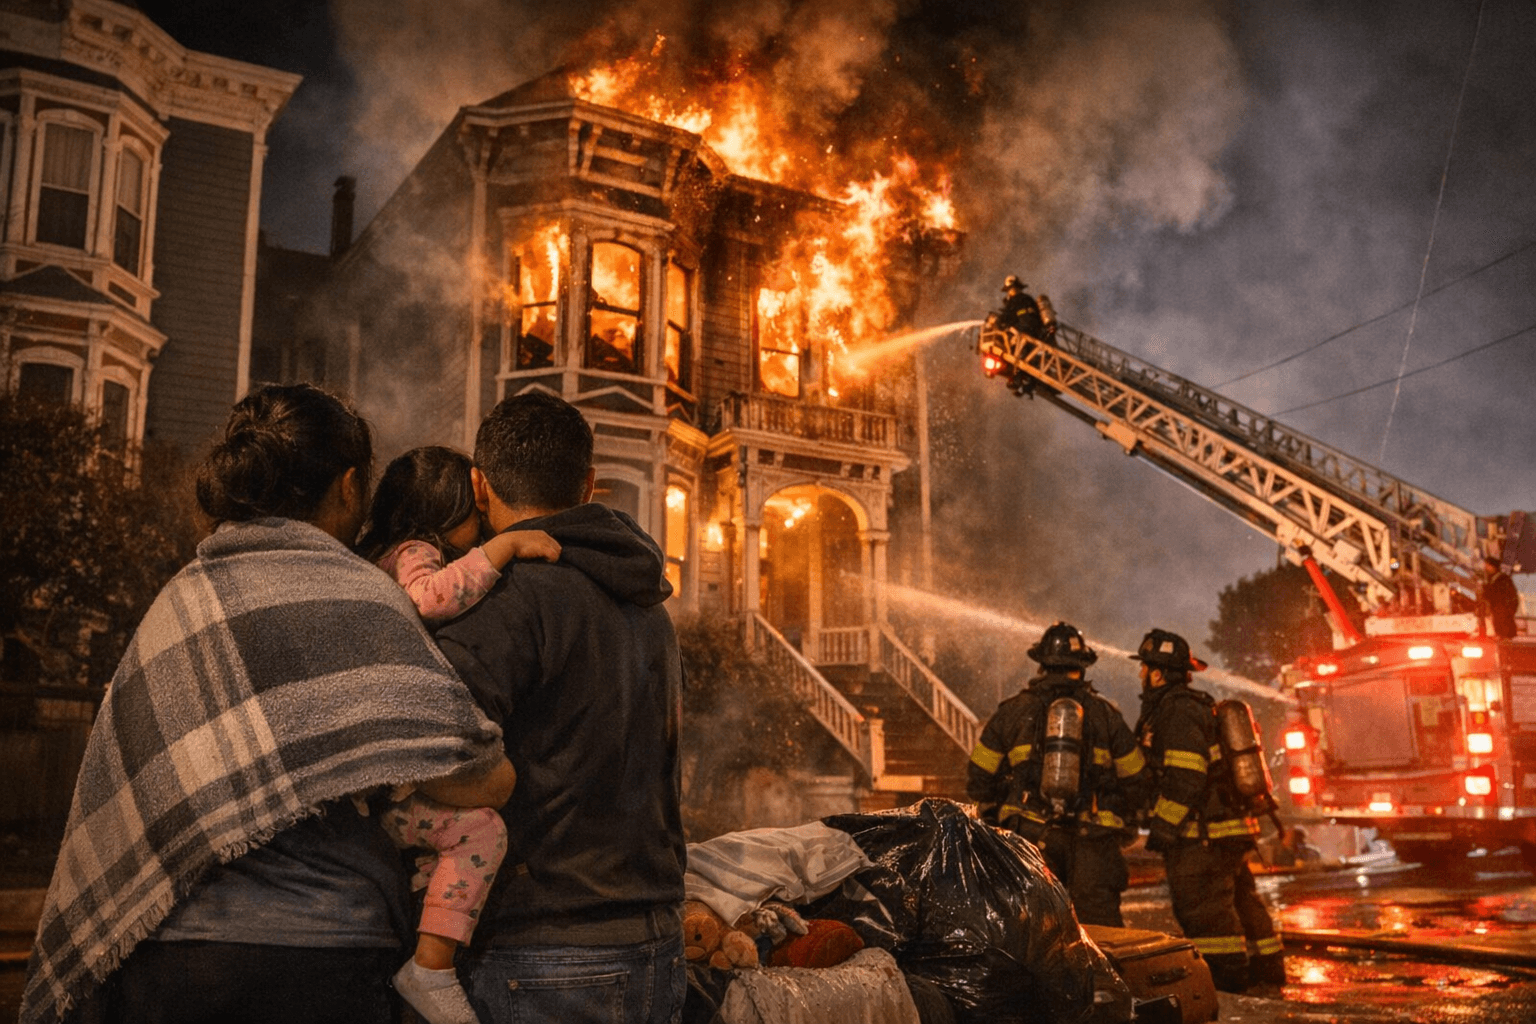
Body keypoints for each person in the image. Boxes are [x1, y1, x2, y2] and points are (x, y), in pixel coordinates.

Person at [22, 383, 517, 1024]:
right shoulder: (364, 598)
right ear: (346, 486)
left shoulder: (180, 606)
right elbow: (479, 776)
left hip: (169, 969)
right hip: (324, 964)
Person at [434, 391, 687, 1024]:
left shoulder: (505, 598)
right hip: (655, 941)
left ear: (479, 485)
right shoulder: (649, 609)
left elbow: (438, 755)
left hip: (541, 950)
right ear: (589, 483)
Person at [355, 446, 562, 1024]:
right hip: (389, 777)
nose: (483, 522)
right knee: (482, 831)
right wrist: (505, 547)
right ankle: (431, 967)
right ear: (442, 510)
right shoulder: (413, 553)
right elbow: (431, 596)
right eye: (474, 508)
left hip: (374, 773)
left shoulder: (372, 559)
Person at [966, 622, 1150, 927]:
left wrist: (1004, 807)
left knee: (1036, 931)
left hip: (1031, 839)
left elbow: (978, 780)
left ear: (1042, 665)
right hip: (1094, 842)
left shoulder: (1012, 712)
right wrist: (1123, 818)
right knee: (1101, 933)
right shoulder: (1106, 716)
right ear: (1083, 666)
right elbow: (1136, 781)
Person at [1132, 628, 1284, 993]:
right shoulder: (1190, 705)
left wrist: (1164, 828)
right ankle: (1267, 972)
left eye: (1144, 668)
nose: (1140, 675)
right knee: (1241, 901)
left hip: (1201, 837)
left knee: (1204, 912)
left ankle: (1228, 984)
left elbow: (1186, 776)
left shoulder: (1177, 710)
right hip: (1223, 830)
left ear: (1157, 673)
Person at [1480, 555, 1520, 639]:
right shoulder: (1493, 579)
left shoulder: (1502, 580)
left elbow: (1497, 595)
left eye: (1487, 566)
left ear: (1493, 567)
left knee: (1505, 638)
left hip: (1504, 616)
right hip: (1499, 615)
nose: (1485, 568)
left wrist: (1485, 589)